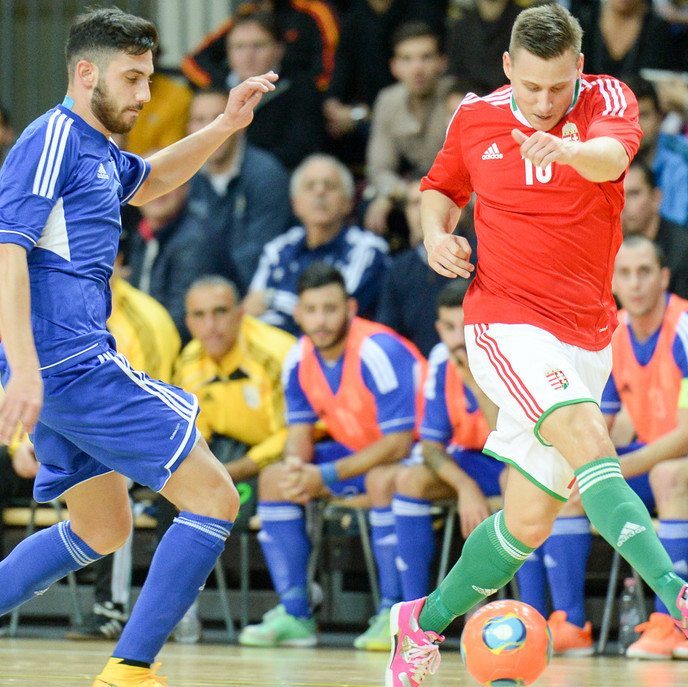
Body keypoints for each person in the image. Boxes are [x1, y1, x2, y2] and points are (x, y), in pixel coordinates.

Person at [385, 6, 688, 687]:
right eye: (531, 89)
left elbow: (611, 156)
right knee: (590, 437)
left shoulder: (608, 96)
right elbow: (440, 190)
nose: (545, 103)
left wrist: (569, 150)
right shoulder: (476, 117)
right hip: (504, 321)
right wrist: (437, 236)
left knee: (525, 524)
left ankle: (421, 622)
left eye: (558, 87)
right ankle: (679, 595)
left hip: (586, 332)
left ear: (577, 68)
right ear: (508, 70)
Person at [0, 8, 278, 687]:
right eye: (131, 78)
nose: (144, 95)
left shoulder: (95, 149)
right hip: (70, 362)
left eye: (149, 78)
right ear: (85, 72)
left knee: (103, 526)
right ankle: (129, 668)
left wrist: (223, 126)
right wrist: (26, 370)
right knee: (215, 496)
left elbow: (148, 181)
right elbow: (7, 250)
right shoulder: (52, 140)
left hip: (62, 365)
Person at [237, 263, 426, 648]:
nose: (321, 320)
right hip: (356, 455)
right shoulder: (298, 358)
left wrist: (323, 476)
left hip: (419, 454)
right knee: (275, 480)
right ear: (298, 313)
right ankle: (295, 614)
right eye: (311, 310)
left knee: (380, 479)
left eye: (330, 309)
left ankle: (393, 615)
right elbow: (299, 435)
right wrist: (297, 470)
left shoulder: (377, 350)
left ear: (351, 308)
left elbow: (400, 443)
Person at [359, 281, 502, 651]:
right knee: (408, 480)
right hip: (469, 461)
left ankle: (524, 614)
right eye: (449, 328)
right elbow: (432, 448)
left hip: (510, 459)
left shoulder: (503, 352)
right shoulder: (441, 359)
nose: (459, 339)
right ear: (439, 328)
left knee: (515, 477)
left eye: (466, 326)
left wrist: (473, 380)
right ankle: (414, 616)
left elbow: (511, 436)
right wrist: (465, 488)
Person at [244, 154, 389, 335]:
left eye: (330, 186)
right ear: (295, 204)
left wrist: (270, 299)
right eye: (310, 186)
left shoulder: (368, 250)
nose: (319, 192)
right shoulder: (278, 248)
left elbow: (334, 313)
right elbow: (250, 312)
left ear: (348, 203)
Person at [185, 88, 292, 293]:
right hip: (197, 296)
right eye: (199, 119)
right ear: (189, 128)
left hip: (253, 296)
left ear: (241, 124)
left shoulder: (266, 174)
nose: (209, 128)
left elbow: (262, 254)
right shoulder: (184, 176)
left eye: (218, 117)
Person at [363, 21, 453, 235]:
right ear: (394, 66)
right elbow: (379, 169)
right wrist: (400, 192)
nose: (417, 68)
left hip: (457, 194)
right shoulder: (387, 100)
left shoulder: (457, 98)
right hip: (410, 190)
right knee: (369, 209)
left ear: (442, 62)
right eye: (407, 59)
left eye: (426, 57)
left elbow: (469, 170)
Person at [224, 12, 324, 169]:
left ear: (279, 50)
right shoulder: (216, 91)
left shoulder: (301, 90)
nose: (248, 55)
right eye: (239, 46)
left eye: (258, 45)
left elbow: (300, 149)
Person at [622, 159, 688, 299]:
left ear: (656, 198)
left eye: (633, 194)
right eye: (619, 195)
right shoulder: (609, 248)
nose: (624, 205)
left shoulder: (683, 249)